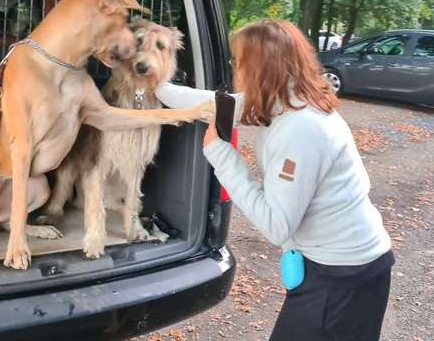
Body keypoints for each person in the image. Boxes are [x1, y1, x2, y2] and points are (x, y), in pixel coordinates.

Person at [155, 19, 394, 340]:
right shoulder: (288, 98)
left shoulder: (301, 128)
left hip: (343, 274)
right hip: (343, 265)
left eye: (237, 62)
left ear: (258, 68)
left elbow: (277, 225)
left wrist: (220, 154)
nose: (234, 69)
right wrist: (155, 86)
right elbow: (218, 104)